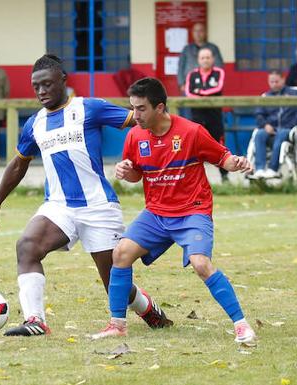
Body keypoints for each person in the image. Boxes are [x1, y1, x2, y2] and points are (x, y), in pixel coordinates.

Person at [0, 54, 172, 337]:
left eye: (47, 85)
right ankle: (35, 320)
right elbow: (19, 163)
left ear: (63, 81)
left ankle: (148, 308)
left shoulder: (89, 108)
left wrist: (160, 155)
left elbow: (140, 121)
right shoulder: (35, 123)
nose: (41, 92)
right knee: (27, 245)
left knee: (115, 284)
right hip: (58, 207)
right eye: (36, 87)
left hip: (99, 206)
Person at [91, 78, 256, 345]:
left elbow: (222, 158)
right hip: (156, 213)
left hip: (192, 211)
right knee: (120, 253)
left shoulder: (192, 132)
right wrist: (126, 171)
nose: (136, 115)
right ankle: (117, 324)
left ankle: (241, 325)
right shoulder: (135, 135)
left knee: (201, 263)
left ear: (160, 108)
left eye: (141, 109)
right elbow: (136, 174)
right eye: (132, 108)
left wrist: (236, 163)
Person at [252, 70, 297, 179]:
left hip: (288, 130)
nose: (274, 84)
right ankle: (259, 169)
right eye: (271, 82)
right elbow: (258, 114)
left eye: (276, 81)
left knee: (282, 134)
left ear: (283, 79)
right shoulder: (265, 96)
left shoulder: (294, 93)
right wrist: (265, 125)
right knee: (259, 134)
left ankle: (273, 169)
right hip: (271, 130)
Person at [185, 47, 229, 182]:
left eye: (208, 57)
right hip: (197, 117)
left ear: (213, 59)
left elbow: (217, 88)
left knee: (219, 146)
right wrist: (203, 94)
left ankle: (225, 177)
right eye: (202, 58)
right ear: (198, 60)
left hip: (214, 117)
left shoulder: (219, 72)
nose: (205, 60)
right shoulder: (191, 75)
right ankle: (191, 180)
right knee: (193, 148)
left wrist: (200, 94)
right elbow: (188, 92)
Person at [177, 23, 224, 94]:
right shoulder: (186, 49)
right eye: (195, 31)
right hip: (189, 85)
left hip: (209, 86)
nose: (198, 33)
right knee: (187, 105)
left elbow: (218, 66)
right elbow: (180, 67)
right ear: (192, 33)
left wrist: (214, 81)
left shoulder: (213, 48)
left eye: (200, 31)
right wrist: (181, 83)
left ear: (205, 33)